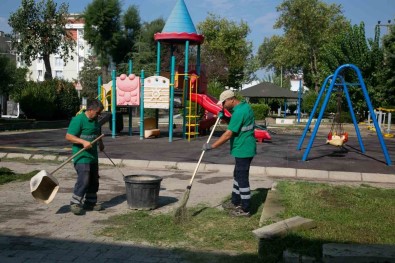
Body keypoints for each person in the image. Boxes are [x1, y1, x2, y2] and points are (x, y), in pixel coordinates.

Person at [203, 90, 256, 217]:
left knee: (242, 178)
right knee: (237, 175)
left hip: (244, 149)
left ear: (231, 99)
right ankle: (235, 201)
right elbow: (235, 124)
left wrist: (212, 146)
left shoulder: (240, 112)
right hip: (242, 148)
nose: (223, 106)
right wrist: (225, 117)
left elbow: (228, 134)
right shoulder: (242, 108)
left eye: (224, 103)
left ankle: (245, 209)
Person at [65, 99, 105, 215]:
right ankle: (75, 202)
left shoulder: (95, 120)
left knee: (94, 179)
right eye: (97, 112)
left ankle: (90, 202)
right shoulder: (78, 120)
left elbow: (97, 132)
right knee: (84, 179)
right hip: (81, 155)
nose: (99, 115)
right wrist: (83, 142)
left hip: (93, 156)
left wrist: (101, 144)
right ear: (90, 109)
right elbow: (68, 136)